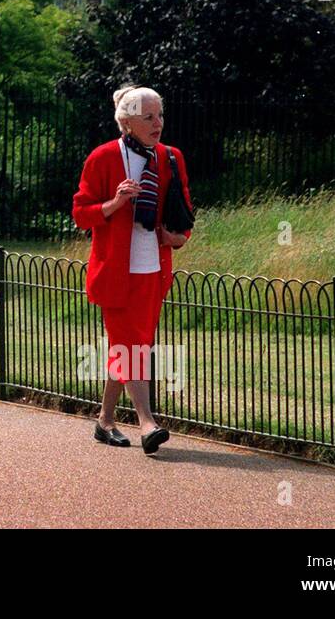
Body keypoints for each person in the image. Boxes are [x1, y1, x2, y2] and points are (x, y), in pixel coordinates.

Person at [71, 85, 192, 454]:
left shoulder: (171, 157)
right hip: (115, 272)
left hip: (153, 269)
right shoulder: (104, 157)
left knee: (133, 345)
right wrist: (115, 202)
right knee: (129, 346)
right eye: (148, 117)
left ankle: (105, 421)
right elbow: (81, 213)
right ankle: (147, 422)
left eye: (160, 115)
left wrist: (178, 237)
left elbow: (184, 209)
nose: (158, 123)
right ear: (126, 122)